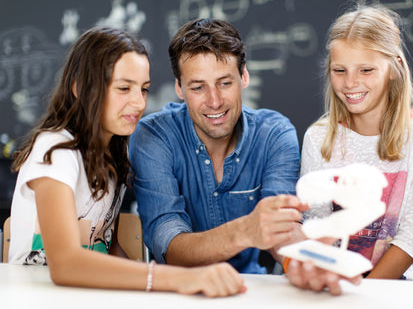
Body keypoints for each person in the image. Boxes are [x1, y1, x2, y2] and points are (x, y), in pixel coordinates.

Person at [8, 27, 245, 297]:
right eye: (124, 88)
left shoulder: (113, 157)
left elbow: (105, 248)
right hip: (33, 297)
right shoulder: (55, 148)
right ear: (79, 88)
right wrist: (177, 278)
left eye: (143, 89)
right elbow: (65, 264)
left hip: (85, 295)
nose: (138, 102)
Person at [128, 18, 310, 275]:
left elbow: (281, 228)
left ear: (244, 76)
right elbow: (169, 244)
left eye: (224, 83)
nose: (214, 101)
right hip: (179, 290)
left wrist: (307, 264)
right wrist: (246, 230)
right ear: (179, 88)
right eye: (198, 87)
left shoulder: (275, 134)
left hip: (250, 287)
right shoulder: (154, 137)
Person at [286, 4, 413, 289]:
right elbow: (318, 226)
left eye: (366, 70)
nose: (350, 83)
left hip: (403, 287)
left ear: (394, 69)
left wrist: (365, 294)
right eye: (340, 70)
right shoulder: (319, 137)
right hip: (337, 284)